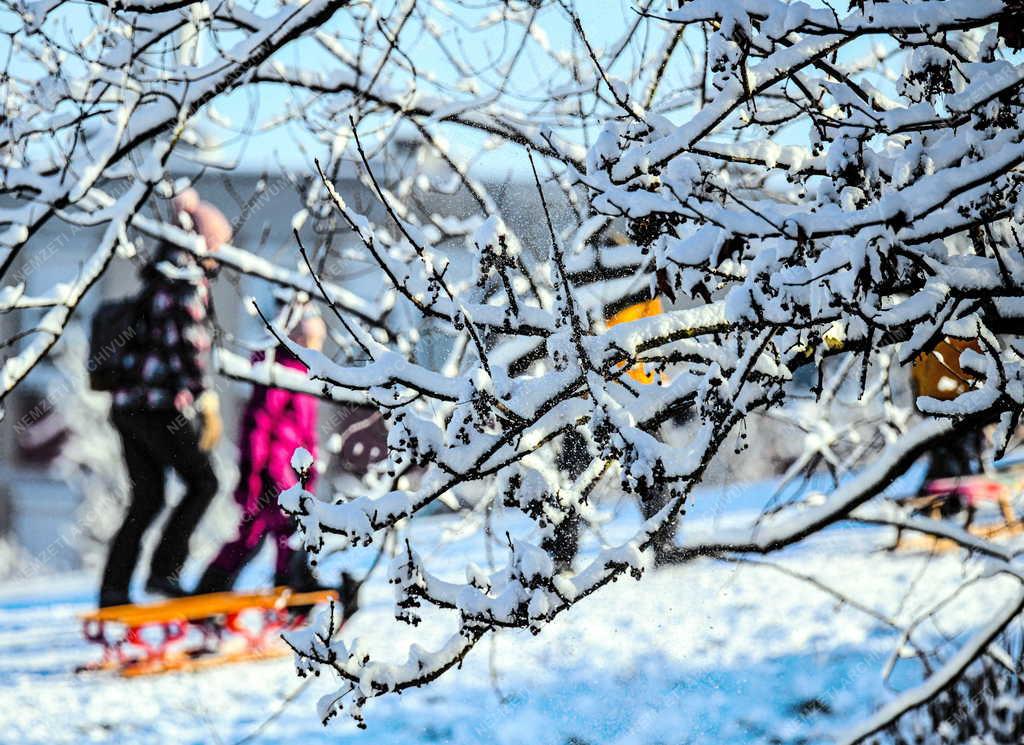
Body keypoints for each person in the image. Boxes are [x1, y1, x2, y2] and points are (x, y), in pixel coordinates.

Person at [98, 189, 227, 607]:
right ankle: (162, 575)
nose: (219, 261)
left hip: (127, 406)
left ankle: (114, 592)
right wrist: (206, 401)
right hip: (156, 407)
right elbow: (188, 348)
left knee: (148, 496)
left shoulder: (158, 274)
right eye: (218, 250)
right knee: (204, 483)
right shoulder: (185, 278)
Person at [194, 304, 329, 595]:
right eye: (312, 340)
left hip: (289, 470)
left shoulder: (302, 373)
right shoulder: (279, 372)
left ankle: (212, 588)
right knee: (291, 526)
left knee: (253, 534)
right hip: (274, 468)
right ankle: (293, 586)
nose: (317, 348)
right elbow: (259, 423)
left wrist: (311, 470)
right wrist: (252, 473)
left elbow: (306, 434)